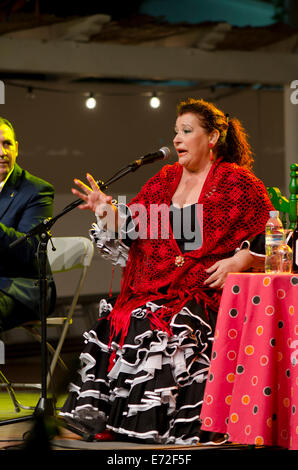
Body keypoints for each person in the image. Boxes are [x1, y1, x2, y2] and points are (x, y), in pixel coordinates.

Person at [60, 98, 273, 445]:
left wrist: (241, 259)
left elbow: (271, 237)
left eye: (187, 132)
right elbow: (135, 226)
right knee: (121, 315)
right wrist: (104, 209)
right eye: (176, 132)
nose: (177, 140)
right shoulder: (166, 178)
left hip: (206, 290)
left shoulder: (237, 182)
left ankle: (160, 422)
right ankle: (107, 418)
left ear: (213, 137)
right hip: (159, 285)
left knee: (156, 319)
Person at [0, 117, 56, 335]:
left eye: (7, 144)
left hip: (23, 287)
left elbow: (28, 248)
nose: (2, 152)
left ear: (17, 148)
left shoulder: (37, 191)